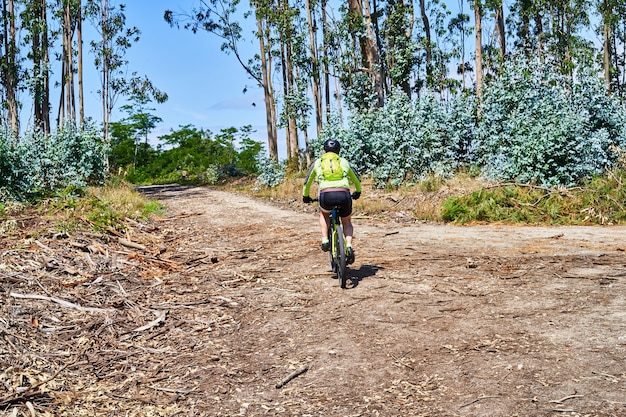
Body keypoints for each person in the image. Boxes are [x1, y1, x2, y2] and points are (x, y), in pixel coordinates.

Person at [302, 139, 362, 264]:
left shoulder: (318, 162)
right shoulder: (343, 161)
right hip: (343, 194)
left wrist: (305, 196)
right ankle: (349, 245)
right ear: (338, 151)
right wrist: (358, 191)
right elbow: (356, 179)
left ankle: (324, 240)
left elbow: (307, 182)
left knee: (324, 214)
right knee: (347, 221)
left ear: (324, 151)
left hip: (326, 194)